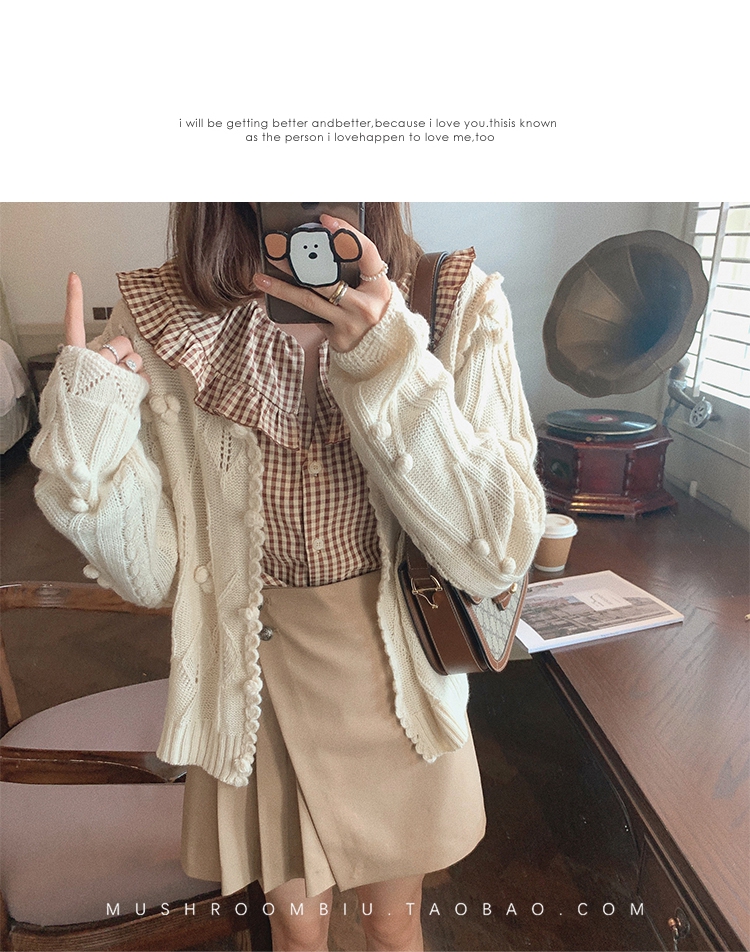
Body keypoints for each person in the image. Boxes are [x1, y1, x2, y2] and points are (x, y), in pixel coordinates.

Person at [31, 202, 546, 951]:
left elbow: (498, 551)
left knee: (394, 923)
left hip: (393, 671)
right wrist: (87, 454)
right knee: (297, 931)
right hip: (253, 677)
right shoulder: (164, 317)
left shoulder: (450, 299)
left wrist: (388, 362)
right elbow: (151, 576)